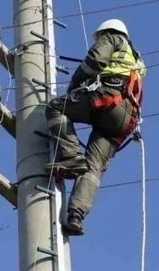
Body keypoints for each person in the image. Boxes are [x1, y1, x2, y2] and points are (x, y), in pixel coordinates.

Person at [44, 18, 147, 236]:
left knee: (56, 108)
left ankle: (71, 156)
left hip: (109, 99)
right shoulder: (136, 60)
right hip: (124, 120)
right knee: (94, 166)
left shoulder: (112, 38)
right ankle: (76, 215)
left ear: (105, 32)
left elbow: (96, 60)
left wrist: (75, 82)